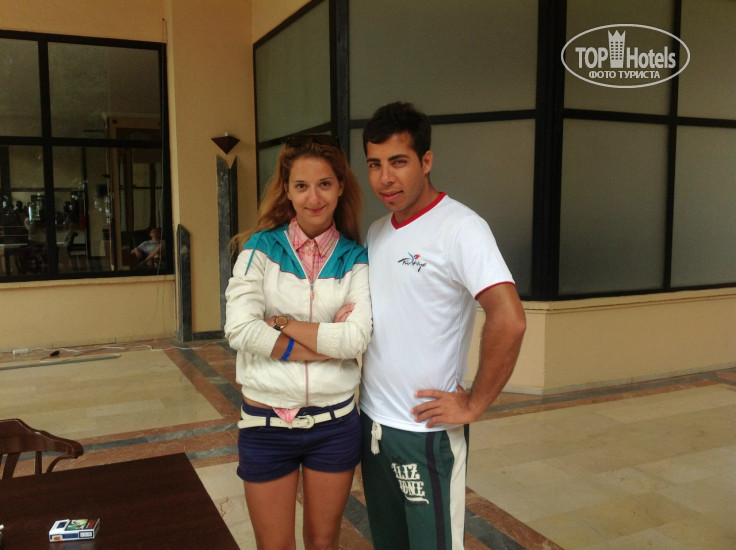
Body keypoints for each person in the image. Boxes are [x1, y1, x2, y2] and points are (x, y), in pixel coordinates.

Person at [359, 102, 527, 549]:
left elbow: (509, 319)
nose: (385, 178)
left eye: (398, 162)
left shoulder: (461, 228)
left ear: (426, 161)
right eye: (374, 164)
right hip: (373, 425)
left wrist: (474, 404)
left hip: (426, 435)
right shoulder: (376, 232)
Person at [224, 134, 372, 550]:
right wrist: (325, 347)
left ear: (340, 187)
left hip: (335, 424)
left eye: (324, 184)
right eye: (301, 186)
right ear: (287, 190)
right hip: (266, 423)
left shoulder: (355, 258)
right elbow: (239, 329)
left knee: (323, 543)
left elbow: (356, 338)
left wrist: (280, 323)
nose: (314, 197)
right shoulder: (259, 250)